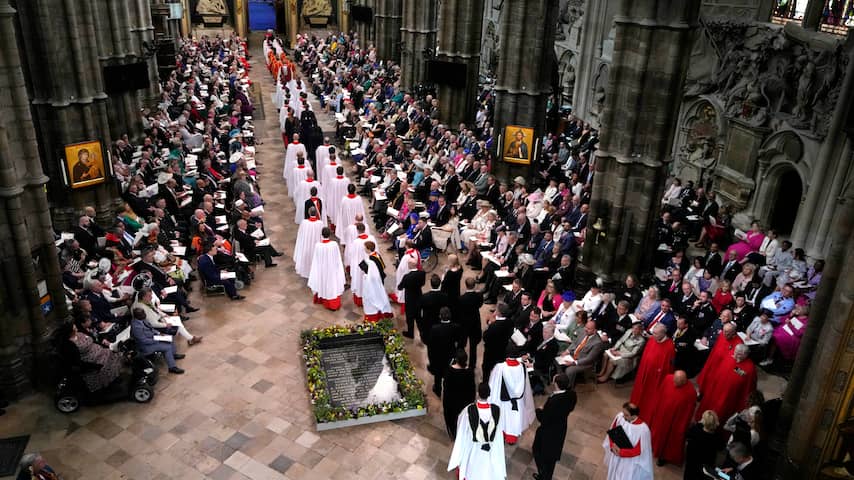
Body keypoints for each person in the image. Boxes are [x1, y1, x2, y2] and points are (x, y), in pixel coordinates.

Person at [447, 383, 506, 480]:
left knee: (472, 467)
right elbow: (499, 430)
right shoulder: (496, 410)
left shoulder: (469, 410)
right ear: (489, 394)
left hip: (474, 446)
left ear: (478, 393)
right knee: (489, 469)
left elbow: (462, 427)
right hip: (491, 446)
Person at [487, 344, 535, 445]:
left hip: (503, 400)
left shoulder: (500, 367)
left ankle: (502, 436)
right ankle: (512, 439)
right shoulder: (522, 366)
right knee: (514, 419)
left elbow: (493, 383)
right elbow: (525, 384)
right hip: (517, 401)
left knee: (504, 419)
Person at [696, 344, 757, 422]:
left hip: (729, 397)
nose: (735, 355)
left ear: (745, 355)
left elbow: (748, 388)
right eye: (735, 352)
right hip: (716, 390)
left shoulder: (750, 369)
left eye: (738, 354)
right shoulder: (730, 356)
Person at [647, 371, 697, 466]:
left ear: (684, 381)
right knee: (657, 433)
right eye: (674, 380)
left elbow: (688, 411)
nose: (674, 384)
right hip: (661, 414)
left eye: (677, 382)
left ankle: (663, 456)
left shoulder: (691, 393)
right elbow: (660, 393)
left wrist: (681, 425)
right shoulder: (668, 378)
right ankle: (653, 447)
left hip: (675, 421)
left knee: (669, 440)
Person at [532, 373, 577, 480]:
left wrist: (539, 410)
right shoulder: (571, 394)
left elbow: (543, 418)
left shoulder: (554, 401)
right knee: (551, 457)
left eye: (553, 381)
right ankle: (547, 475)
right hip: (560, 427)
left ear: (556, 384)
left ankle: (544, 476)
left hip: (548, 431)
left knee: (538, 451)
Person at [630, 324, 675, 418]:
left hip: (655, 377)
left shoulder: (670, 347)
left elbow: (668, 367)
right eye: (653, 333)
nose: (653, 335)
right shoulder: (652, 339)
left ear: (663, 333)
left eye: (656, 334)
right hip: (644, 371)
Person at [602, 402, 654, 480]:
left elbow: (638, 450)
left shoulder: (643, 430)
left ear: (634, 415)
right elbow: (612, 431)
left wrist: (621, 452)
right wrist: (612, 445)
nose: (623, 416)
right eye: (623, 413)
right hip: (616, 453)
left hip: (628, 461)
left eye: (626, 415)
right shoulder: (620, 417)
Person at [130, 308, 185, 374]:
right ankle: (172, 367)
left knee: (169, 337)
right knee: (167, 347)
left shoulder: (143, 319)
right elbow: (143, 341)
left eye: (144, 313)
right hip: (146, 346)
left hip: (153, 338)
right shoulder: (136, 326)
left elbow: (151, 329)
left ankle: (173, 355)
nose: (145, 315)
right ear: (137, 316)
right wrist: (156, 340)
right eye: (142, 314)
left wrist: (159, 333)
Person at [557, 320, 605, 387]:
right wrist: (567, 351)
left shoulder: (598, 343)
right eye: (586, 327)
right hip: (573, 354)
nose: (585, 329)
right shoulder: (583, 331)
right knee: (558, 357)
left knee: (569, 370)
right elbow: (575, 342)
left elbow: (589, 359)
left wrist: (574, 363)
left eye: (588, 329)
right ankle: (560, 380)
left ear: (595, 330)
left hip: (584, 362)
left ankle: (568, 387)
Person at [307, 227, 346, 310]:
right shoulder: (334, 244)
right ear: (329, 235)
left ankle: (324, 299)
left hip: (322, 269)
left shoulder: (318, 245)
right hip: (332, 269)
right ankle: (333, 303)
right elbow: (337, 258)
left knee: (323, 283)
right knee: (332, 285)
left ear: (322, 235)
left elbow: (316, 259)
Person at [428, 307, 463, 397]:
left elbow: (431, 346)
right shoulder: (456, 327)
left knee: (438, 374)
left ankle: (437, 390)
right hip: (450, 355)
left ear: (440, 316)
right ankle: (447, 390)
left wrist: (431, 359)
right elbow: (460, 341)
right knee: (448, 373)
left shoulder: (434, 328)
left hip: (438, 356)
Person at [442, 349, 476, 439]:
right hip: (465, 402)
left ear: (456, 359)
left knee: (453, 420)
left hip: (452, 402)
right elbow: (472, 389)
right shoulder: (469, 372)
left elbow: (446, 386)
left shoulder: (450, 371)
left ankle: (454, 434)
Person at [684, 411, 724, 480]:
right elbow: (721, 447)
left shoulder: (696, 429)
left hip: (692, 461)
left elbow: (687, 435)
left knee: (689, 475)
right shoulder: (717, 436)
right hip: (706, 464)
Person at [359, 241, 393, 322]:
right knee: (380, 293)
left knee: (375, 295)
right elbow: (383, 266)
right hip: (381, 277)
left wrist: (366, 275)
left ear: (368, 249)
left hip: (375, 281)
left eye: (365, 247)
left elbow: (372, 274)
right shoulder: (376, 254)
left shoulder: (371, 259)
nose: (364, 249)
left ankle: (376, 310)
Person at [482, 303, 514, 381]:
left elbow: (485, 337)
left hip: (491, 352)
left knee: (486, 369)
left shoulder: (493, 326)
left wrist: (489, 324)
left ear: (498, 312)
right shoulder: (509, 322)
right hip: (502, 351)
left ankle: (486, 384)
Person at [457, 277, 484, 367]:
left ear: (466, 285)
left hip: (464, 323)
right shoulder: (479, 296)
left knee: (461, 344)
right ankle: (472, 365)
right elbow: (480, 305)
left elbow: (459, 310)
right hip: (475, 322)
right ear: (474, 285)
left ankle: (461, 362)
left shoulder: (461, 298)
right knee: (473, 347)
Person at [397, 258, 425, 339]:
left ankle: (410, 333)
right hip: (419, 296)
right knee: (419, 317)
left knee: (410, 317)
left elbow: (400, 287)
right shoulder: (422, 273)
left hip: (410, 298)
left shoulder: (407, 277)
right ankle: (422, 333)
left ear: (410, 265)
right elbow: (422, 283)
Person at [293, 207, 324, 278]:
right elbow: (322, 236)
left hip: (307, 246)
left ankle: (307, 272)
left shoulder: (304, 223)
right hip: (316, 245)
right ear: (316, 213)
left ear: (309, 213)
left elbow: (300, 235)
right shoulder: (320, 223)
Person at [419, 274, 450, 344]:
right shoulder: (444, 296)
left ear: (431, 284)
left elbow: (419, 311)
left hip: (427, 322)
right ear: (439, 284)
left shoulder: (424, 297)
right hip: (440, 322)